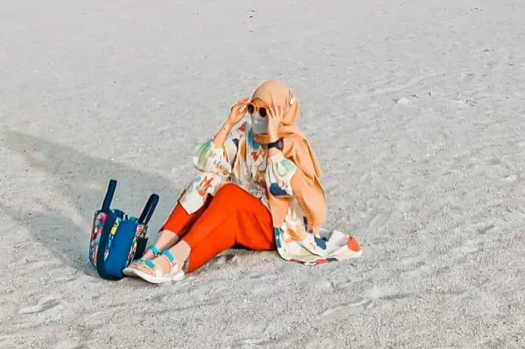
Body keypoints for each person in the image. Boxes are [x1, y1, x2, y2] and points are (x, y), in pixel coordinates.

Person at [124, 81, 362, 283]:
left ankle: (172, 258)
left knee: (229, 194)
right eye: (253, 109)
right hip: (243, 216)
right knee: (208, 180)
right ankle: (154, 253)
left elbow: (288, 188)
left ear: (281, 113)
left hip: (278, 229)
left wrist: (272, 142)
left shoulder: (293, 144)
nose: (257, 117)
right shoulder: (246, 134)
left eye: (265, 111)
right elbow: (205, 163)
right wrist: (227, 125)